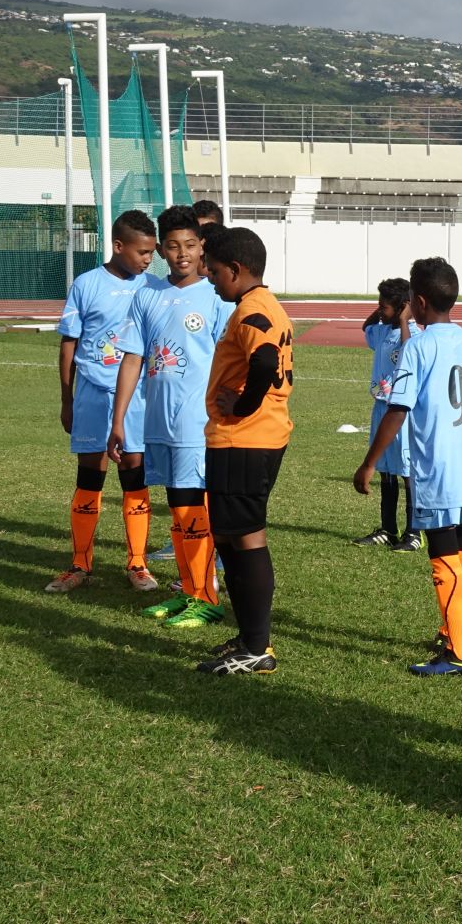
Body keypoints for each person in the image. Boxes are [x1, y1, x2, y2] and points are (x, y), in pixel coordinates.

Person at [353, 257, 462, 677]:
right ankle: (451, 630)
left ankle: (459, 651)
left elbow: (397, 408)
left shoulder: (419, 347)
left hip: (438, 468)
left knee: (442, 555)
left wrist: (369, 463)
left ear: (419, 301)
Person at [108, 207, 233, 628]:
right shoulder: (147, 295)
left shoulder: (215, 298)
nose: (183, 254)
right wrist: (119, 420)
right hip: (157, 423)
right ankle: (188, 590)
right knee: (177, 511)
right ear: (161, 250)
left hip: (197, 424)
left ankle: (206, 595)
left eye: (191, 245)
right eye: (174, 246)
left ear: (202, 247)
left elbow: (230, 361)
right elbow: (132, 358)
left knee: (191, 509)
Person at [47, 210, 164, 593]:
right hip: (93, 397)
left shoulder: (154, 288)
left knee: (134, 473)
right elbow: (69, 344)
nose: (148, 259)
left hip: (137, 399)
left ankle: (138, 565)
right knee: (89, 476)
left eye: (151, 252)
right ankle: (79, 564)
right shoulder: (86, 285)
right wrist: (67, 400)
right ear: (118, 246)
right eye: (142, 252)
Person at [195, 227, 294, 675]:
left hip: (245, 439)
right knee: (231, 537)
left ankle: (256, 647)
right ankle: (250, 637)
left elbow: (265, 360)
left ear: (236, 270)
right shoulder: (263, 304)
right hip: (250, 439)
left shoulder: (252, 309)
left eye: (215, 271)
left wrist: (243, 405)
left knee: (247, 537)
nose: (210, 278)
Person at [353, 277, 421, 551]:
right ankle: (388, 529)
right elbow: (366, 327)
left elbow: (409, 354)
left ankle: (414, 532)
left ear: (404, 307)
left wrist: (404, 319)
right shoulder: (383, 331)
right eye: (378, 306)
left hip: (401, 413)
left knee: (407, 471)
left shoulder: (414, 333)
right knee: (386, 468)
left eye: (384, 307)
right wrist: (381, 310)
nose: (380, 311)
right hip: (381, 408)